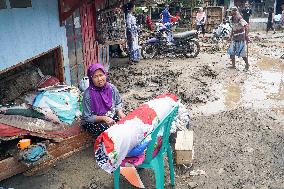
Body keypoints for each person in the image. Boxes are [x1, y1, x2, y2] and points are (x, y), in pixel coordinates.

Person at [81, 63, 126, 138]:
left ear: (105, 75)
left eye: (101, 75)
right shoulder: (88, 95)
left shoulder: (111, 88)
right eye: (95, 77)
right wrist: (103, 118)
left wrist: (120, 112)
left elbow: (118, 102)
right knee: (106, 129)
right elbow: (87, 117)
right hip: (94, 122)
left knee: (123, 121)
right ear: (91, 78)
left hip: (109, 115)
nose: (99, 79)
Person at [227, 7, 249, 71]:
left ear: (235, 11)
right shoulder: (232, 18)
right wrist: (230, 36)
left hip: (240, 38)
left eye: (230, 11)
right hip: (235, 38)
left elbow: (246, 25)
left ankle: (247, 65)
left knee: (242, 54)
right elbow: (233, 28)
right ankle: (233, 65)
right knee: (231, 52)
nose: (230, 12)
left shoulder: (239, 18)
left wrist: (246, 36)